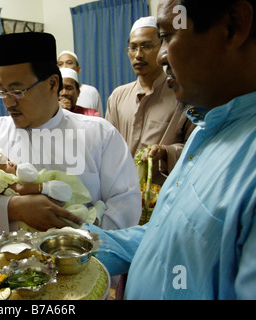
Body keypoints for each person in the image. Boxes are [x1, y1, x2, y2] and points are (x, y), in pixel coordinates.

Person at [85, 0, 256, 299]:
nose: (161, 56)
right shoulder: (206, 129)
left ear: (233, 26)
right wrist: (82, 242)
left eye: (165, 37)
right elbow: (164, 236)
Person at [0, 32, 141, 240]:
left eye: (17, 91)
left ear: (53, 84)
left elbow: (125, 200)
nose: (8, 102)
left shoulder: (99, 134)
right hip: (16, 265)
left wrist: (83, 244)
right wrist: (15, 208)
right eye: (2, 90)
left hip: (86, 262)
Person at [106, 16, 196, 187]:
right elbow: (107, 147)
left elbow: (196, 151)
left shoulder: (182, 95)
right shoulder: (118, 96)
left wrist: (166, 152)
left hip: (164, 195)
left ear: (163, 48)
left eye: (147, 46)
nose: (138, 55)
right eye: (133, 48)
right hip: (122, 193)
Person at [0, 147, 101, 228]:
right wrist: (44, 187)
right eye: (5, 163)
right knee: (77, 215)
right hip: (38, 223)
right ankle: (93, 220)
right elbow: (24, 189)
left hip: (56, 202)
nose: (11, 162)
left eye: (8, 159)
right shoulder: (11, 186)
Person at [57, 50, 104, 117]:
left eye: (69, 63)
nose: (64, 66)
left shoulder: (91, 113)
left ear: (78, 91)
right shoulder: (47, 113)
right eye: (60, 64)